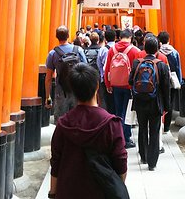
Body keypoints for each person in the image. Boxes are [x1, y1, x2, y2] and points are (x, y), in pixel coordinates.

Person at [49, 63, 128, 199]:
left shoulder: (63, 124)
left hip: (68, 191)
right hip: (101, 191)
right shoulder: (111, 124)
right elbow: (121, 163)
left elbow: (56, 162)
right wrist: (116, 188)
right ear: (97, 86)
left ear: (73, 89)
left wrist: (53, 193)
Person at [128, 35, 171, 170]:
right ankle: (152, 162)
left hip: (140, 102)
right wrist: (167, 106)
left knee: (142, 128)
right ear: (157, 49)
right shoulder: (161, 65)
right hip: (155, 103)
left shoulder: (137, 63)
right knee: (154, 130)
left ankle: (144, 156)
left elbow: (130, 81)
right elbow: (166, 88)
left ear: (145, 48)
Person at [104, 28, 143, 148]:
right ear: (131, 38)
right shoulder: (135, 51)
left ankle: (117, 136)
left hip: (116, 85)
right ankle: (126, 138)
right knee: (128, 112)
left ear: (120, 37)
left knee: (118, 110)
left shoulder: (112, 49)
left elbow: (107, 69)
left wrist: (108, 84)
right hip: (129, 86)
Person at [45, 26, 87, 120]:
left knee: (61, 119)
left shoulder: (52, 53)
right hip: (77, 89)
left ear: (56, 36)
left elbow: (48, 78)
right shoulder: (78, 50)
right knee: (77, 118)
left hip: (61, 90)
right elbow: (85, 70)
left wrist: (48, 96)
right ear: (68, 35)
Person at [158, 31, 182, 133]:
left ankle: (160, 123)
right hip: (172, 80)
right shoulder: (175, 52)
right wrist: (179, 81)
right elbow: (178, 68)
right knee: (170, 103)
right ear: (169, 40)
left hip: (160, 81)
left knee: (160, 101)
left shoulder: (158, 52)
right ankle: (167, 127)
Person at [97, 28, 116, 113]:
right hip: (117, 78)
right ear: (115, 37)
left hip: (105, 78)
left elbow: (99, 64)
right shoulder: (118, 48)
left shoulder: (103, 49)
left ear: (105, 38)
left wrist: (102, 76)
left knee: (106, 100)